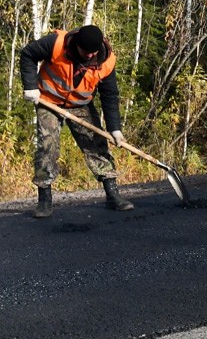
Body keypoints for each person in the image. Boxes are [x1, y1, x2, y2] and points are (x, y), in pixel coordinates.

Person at [20, 24, 134, 218]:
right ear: (77, 44)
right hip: (49, 101)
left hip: (81, 105)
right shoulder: (56, 44)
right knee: (47, 146)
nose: (90, 56)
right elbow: (28, 54)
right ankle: (44, 201)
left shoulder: (106, 61)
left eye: (93, 52)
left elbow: (109, 95)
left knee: (96, 145)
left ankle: (112, 194)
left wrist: (115, 129)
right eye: (85, 51)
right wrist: (30, 86)